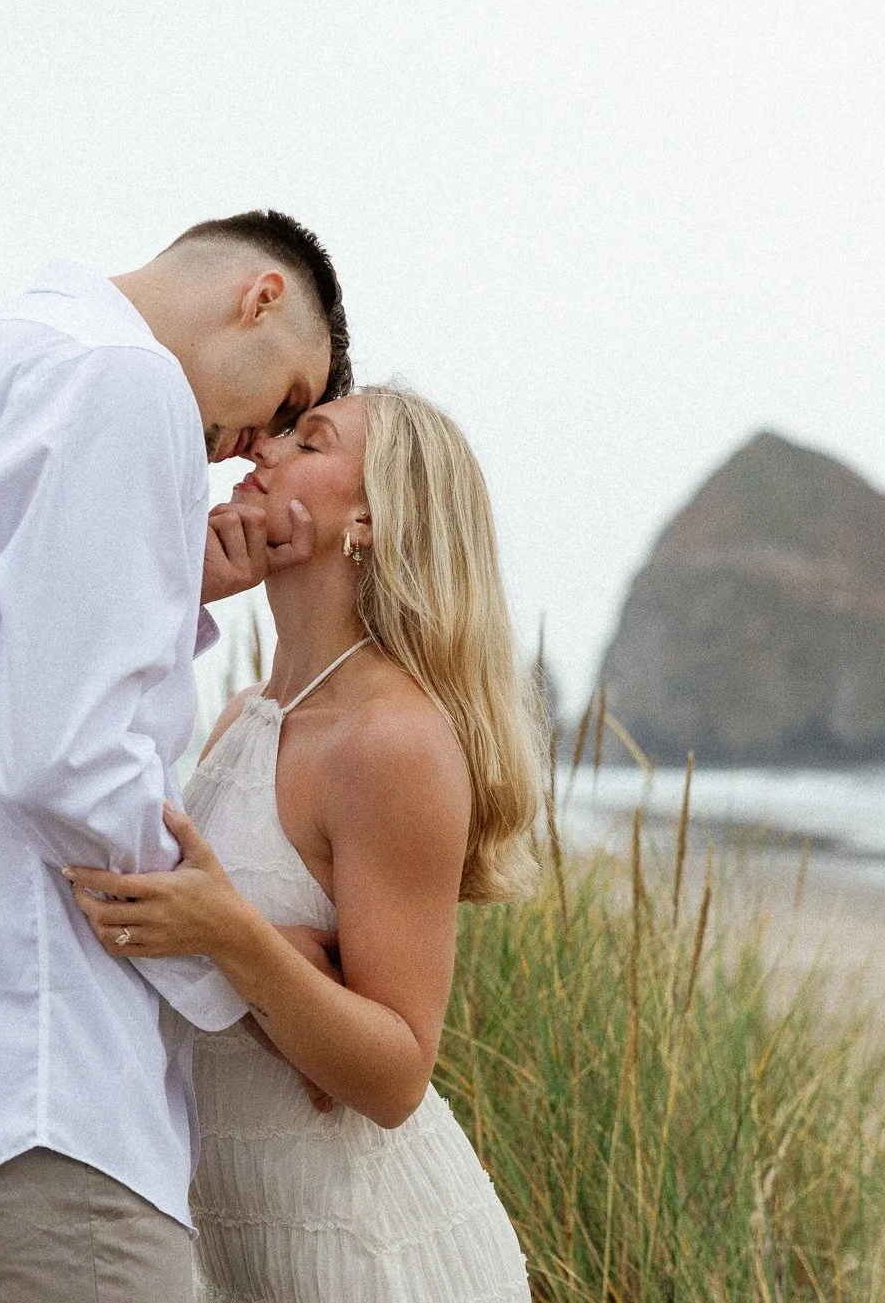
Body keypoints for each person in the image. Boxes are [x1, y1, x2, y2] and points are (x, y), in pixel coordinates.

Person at [0, 212, 350, 1302]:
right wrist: (234, 969)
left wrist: (164, 583)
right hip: (28, 1106)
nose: (251, 448)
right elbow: (65, 759)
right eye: (286, 402)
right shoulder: (128, 386)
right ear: (262, 296)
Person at [65, 386, 539, 1301]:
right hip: (247, 1245)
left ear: (369, 516)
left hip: (369, 1253)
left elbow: (397, 1073)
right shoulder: (247, 714)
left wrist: (235, 938)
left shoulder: (390, 736)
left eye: (308, 441)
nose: (263, 453)